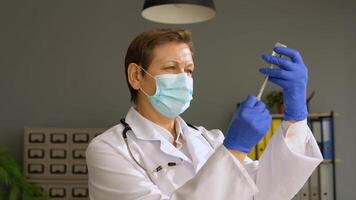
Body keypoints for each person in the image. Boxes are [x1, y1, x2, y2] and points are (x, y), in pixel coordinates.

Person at [86, 28, 323, 200]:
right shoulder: (109, 149)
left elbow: (268, 190)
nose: (183, 79)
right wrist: (234, 151)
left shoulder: (210, 140)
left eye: (188, 70)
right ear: (136, 76)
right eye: (171, 68)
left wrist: (295, 115)